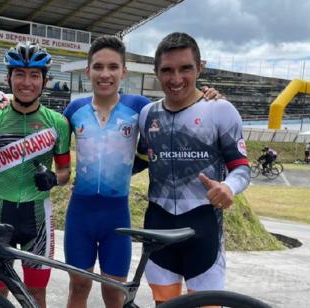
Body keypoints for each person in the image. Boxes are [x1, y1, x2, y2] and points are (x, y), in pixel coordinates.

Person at [63, 35, 222, 308]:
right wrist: (7, 101)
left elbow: (178, 103)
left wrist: (208, 95)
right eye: (98, 67)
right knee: (78, 287)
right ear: (87, 70)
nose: (105, 74)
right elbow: (44, 128)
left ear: (123, 71)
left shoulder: (140, 108)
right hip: (80, 215)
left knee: (114, 293)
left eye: (113, 67)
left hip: (117, 217)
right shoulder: (74, 109)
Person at [134, 32, 251, 305]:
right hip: (158, 224)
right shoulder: (147, 114)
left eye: (185, 68)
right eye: (167, 70)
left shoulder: (221, 110)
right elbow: (142, 159)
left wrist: (228, 187)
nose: (176, 79)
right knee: (163, 305)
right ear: (157, 73)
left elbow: (242, 168)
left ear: (200, 67)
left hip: (203, 227)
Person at [0, 41, 71, 308]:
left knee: (36, 297)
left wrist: (53, 178)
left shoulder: (58, 123)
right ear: (8, 77)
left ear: (45, 80)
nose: (27, 82)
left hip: (38, 218)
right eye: (20, 74)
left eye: (34, 75)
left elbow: (65, 172)